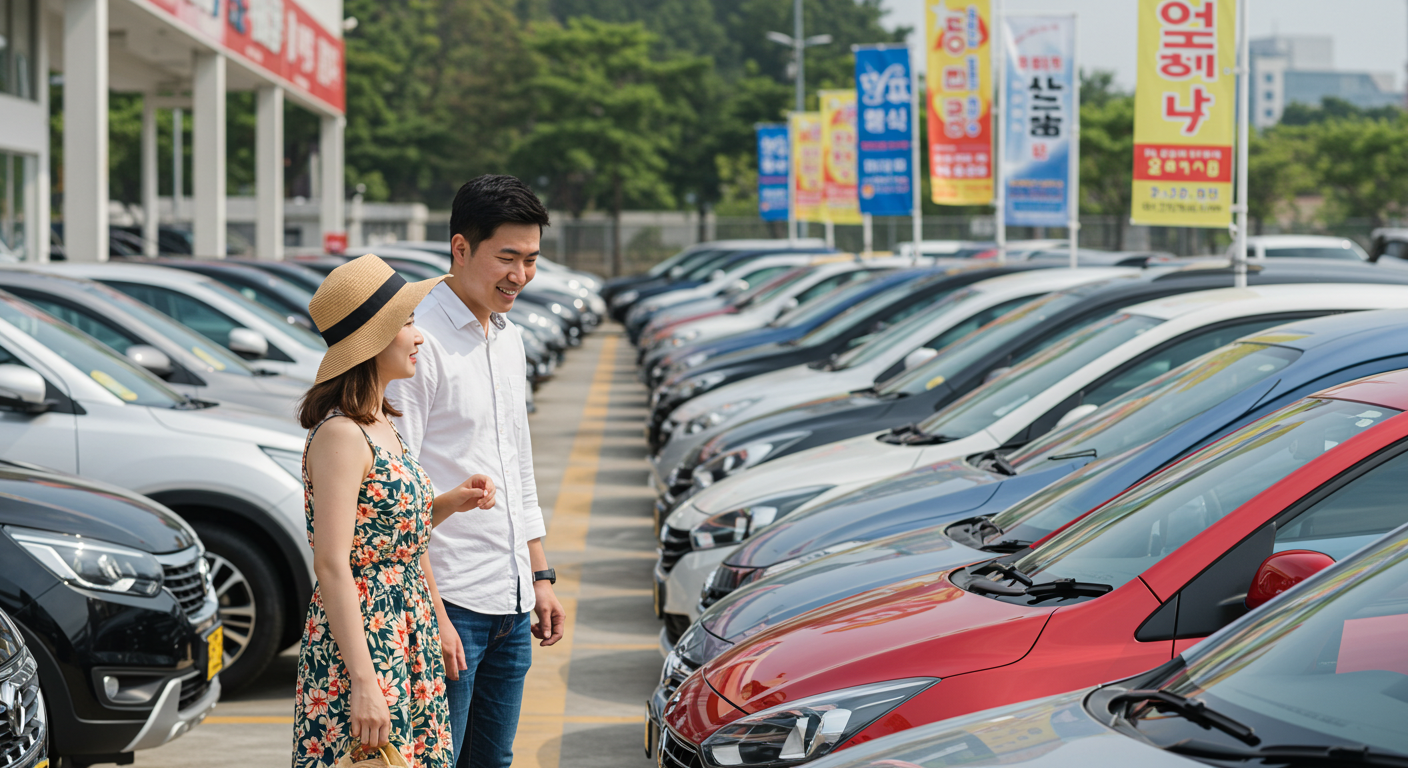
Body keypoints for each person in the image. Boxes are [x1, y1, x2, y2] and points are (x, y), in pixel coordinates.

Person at [386, 175, 566, 768]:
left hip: (511, 602)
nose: (520, 275)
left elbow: (517, 463)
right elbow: (397, 494)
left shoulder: (506, 336)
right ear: (461, 249)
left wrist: (541, 575)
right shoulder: (416, 342)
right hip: (451, 605)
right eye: (506, 258)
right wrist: (433, 614)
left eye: (532, 260)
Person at [292, 254, 499, 767]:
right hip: (367, 638)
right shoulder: (342, 434)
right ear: (374, 337)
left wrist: (449, 502)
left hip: (407, 628)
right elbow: (333, 563)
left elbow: (394, 536)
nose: (419, 335)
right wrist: (364, 680)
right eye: (407, 323)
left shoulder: (381, 420)